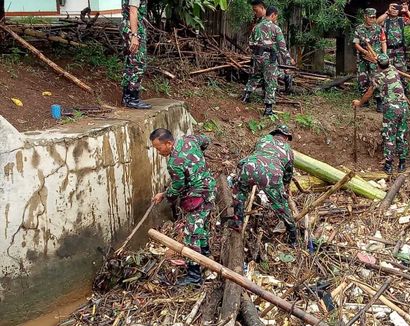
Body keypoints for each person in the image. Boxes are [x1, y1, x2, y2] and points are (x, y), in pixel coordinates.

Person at [150, 129, 216, 286]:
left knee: (191, 234)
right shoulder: (190, 140)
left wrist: (168, 197)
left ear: (169, 143)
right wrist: (198, 161)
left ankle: (194, 275)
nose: (159, 152)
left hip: (197, 197)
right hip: (210, 190)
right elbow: (205, 140)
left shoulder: (174, 163)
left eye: (159, 149)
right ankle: (206, 257)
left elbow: (178, 186)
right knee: (202, 226)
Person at [230, 125, 297, 245]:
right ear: (286, 137)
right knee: (281, 206)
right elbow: (288, 174)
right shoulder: (288, 150)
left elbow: (254, 154)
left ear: (275, 133)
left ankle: (238, 222)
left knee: (239, 193)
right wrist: (284, 188)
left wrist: (241, 166)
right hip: (272, 175)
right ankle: (293, 237)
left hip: (250, 167)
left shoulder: (263, 139)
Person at [352, 54, 409, 174]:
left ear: (377, 65)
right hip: (404, 106)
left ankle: (388, 165)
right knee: (401, 135)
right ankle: (402, 164)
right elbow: (383, 62)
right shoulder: (393, 69)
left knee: (389, 135)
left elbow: (369, 93)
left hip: (391, 108)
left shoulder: (378, 77)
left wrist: (360, 103)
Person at [241, 6, 295, 116]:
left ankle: (245, 97)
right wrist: (289, 60)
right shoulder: (276, 28)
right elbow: (282, 47)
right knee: (271, 81)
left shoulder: (256, 27)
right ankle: (268, 109)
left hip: (257, 57)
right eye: (276, 16)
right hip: (269, 58)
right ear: (273, 15)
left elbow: (250, 43)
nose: (276, 18)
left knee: (255, 76)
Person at [376, 2, 410, 92]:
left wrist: (407, 11)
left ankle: (404, 90)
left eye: (396, 8)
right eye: (392, 8)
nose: (394, 10)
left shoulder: (401, 20)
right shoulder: (386, 20)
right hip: (388, 49)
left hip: (400, 50)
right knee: (386, 70)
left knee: (402, 70)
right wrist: (387, 12)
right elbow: (377, 22)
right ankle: (387, 89)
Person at [353, 8, 387, 112]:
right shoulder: (359, 29)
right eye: (370, 17)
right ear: (365, 16)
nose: (372, 19)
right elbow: (356, 44)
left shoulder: (379, 28)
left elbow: (383, 42)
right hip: (363, 57)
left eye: (374, 17)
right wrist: (365, 52)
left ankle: (379, 101)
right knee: (362, 78)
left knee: (376, 79)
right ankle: (365, 101)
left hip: (375, 58)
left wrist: (384, 55)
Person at [121, 0, 152, 109]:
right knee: (138, 63)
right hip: (134, 29)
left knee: (130, 62)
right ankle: (132, 98)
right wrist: (134, 35)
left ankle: (127, 96)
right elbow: (133, 11)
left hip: (129, 27)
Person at [269, 11, 293, 94]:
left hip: (273, 56)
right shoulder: (263, 27)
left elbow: (282, 47)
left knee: (274, 72)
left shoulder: (275, 28)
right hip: (265, 56)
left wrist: (288, 61)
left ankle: (286, 78)